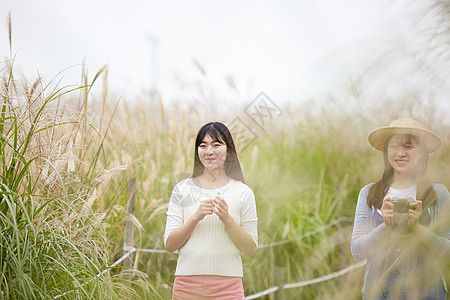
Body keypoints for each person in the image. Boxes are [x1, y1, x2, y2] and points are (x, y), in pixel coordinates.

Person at [351, 118, 450, 299]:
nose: (401, 153)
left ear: (422, 152)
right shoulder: (369, 193)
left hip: (427, 293)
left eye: (409, 146)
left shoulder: (439, 194)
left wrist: (418, 229)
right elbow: (357, 250)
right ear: (386, 151)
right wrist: (385, 227)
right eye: (395, 146)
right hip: (379, 294)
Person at [164, 122, 258, 300]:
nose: (209, 151)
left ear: (229, 150)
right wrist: (196, 217)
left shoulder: (243, 192)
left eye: (216, 145)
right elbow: (170, 245)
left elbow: (251, 248)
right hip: (187, 287)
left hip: (228, 288)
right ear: (197, 151)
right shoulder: (182, 190)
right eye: (203, 145)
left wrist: (228, 220)